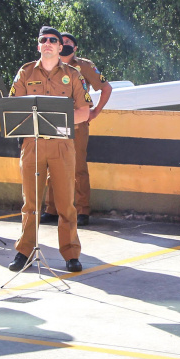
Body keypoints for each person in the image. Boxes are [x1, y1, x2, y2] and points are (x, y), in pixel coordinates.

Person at [7, 27, 91, 273]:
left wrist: (57, 121)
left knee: (66, 204)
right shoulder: (25, 72)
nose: (48, 44)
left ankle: (71, 254)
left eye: (53, 40)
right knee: (30, 203)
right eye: (43, 40)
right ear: (38, 46)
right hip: (32, 144)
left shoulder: (73, 75)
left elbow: (84, 111)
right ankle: (24, 252)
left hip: (62, 145)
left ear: (60, 47)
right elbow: (13, 107)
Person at [40, 32, 112, 227]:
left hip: (78, 123)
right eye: (61, 41)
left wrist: (95, 112)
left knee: (78, 167)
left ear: (75, 48)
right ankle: (52, 209)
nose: (64, 44)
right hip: (54, 122)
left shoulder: (84, 66)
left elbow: (106, 88)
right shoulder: (49, 63)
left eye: (69, 42)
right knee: (52, 166)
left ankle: (82, 211)